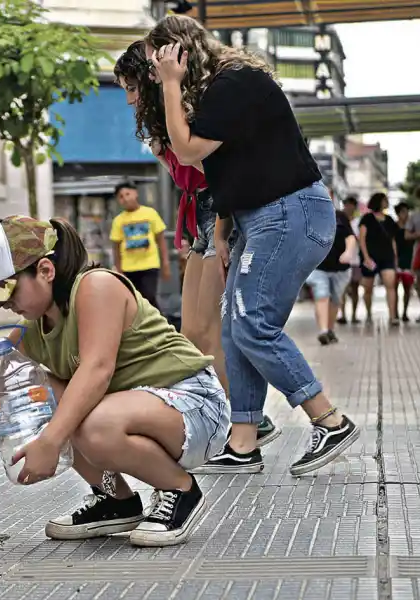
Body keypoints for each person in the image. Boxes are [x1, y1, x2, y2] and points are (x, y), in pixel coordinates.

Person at [145, 14, 359, 476]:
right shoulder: (221, 93)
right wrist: (223, 231)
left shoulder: (235, 82)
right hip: (260, 218)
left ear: (179, 54)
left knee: (251, 322)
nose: (153, 75)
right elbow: (235, 168)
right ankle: (243, 442)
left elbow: (187, 151)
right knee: (233, 327)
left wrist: (169, 84)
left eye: (156, 63)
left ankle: (329, 419)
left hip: (287, 214)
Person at [0, 215, 229, 547]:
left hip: (193, 405)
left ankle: (180, 490)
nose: (5, 303)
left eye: (10, 290)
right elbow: (0, 396)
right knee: (54, 402)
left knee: (86, 423)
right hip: (136, 412)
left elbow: (97, 369)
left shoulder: (96, 286)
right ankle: (116, 500)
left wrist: (50, 440)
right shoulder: (31, 330)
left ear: (45, 271)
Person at [113, 39, 279, 449]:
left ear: (151, 81)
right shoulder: (161, 125)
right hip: (203, 219)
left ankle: (246, 424)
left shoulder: (182, 114)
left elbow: (217, 174)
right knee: (191, 334)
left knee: (212, 332)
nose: (130, 100)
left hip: (220, 214)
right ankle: (238, 419)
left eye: (132, 89)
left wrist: (220, 232)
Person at [109, 182, 171, 310]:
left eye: (127, 194)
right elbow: (116, 247)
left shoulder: (150, 213)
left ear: (135, 193)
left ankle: (161, 323)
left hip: (149, 264)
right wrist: (119, 270)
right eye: (121, 196)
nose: (125, 198)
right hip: (128, 268)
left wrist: (165, 262)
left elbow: (161, 240)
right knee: (133, 301)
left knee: (149, 297)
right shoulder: (118, 221)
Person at [305, 210, 358, 344]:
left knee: (335, 300)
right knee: (322, 295)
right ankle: (323, 331)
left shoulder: (339, 215)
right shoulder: (309, 215)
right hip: (318, 266)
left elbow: (350, 237)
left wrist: (349, 252)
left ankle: (330, 329)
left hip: (340, 268)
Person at [358, 192, 399, 326]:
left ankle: (392, 316)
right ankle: (369, 312)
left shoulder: (390, 220)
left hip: (387, 257)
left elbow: (393, 240)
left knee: (390, 286)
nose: (386, 202)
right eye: (384, 200)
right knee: (368, 288)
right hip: (370, 258)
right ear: (378, 202)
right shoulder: (367, 219)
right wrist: (366, 257)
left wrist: (395, 256)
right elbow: (362, 239)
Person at [337, 196, 363, 325]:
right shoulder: (339, 220)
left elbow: (362, 239)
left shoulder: (358, 222)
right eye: (346, 205)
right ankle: (343, 314)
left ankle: (354, 314)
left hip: (356, 260)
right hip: (343, 260)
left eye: (350, 205)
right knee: (343, 288)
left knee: (355, 288)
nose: (348, 207)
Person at [395, 202, 417, 322]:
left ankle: (404, 312)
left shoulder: (411, 227)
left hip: (408, 261)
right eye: (403, 212)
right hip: (396, 261)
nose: (406, 214)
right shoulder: (393, 227)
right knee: (394, 288)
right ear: (398, 214)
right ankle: (395, 313)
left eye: (407, 211)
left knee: (407, 288)